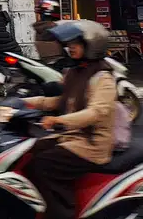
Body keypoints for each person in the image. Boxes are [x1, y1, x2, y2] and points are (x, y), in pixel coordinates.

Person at [22, 19, 116, 219]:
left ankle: (62, 213)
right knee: (29, 154)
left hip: (92, 144)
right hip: (73, 137)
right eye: (69, 44)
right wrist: (25, 102)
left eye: (76, 44)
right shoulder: (75, 72)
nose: (70, 48)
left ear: (90, 46)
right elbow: (61, 100)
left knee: (44, 165)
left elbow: (96, 112)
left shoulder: (103, 78)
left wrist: (59, 121)